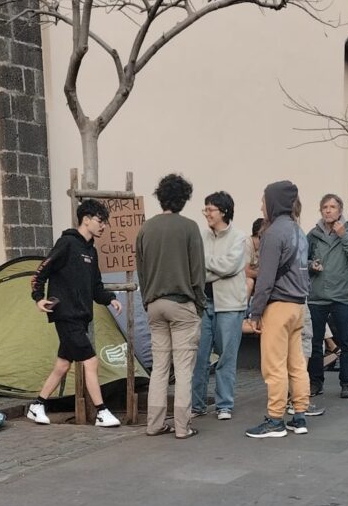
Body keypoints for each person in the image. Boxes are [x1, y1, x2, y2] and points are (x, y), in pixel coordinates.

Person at [26, 198, 123, 427]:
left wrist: (110, 299)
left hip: (81, 317)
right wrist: (38, 298)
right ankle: (102, 412)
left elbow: (96, 288)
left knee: (62, 365)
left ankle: (37, 405)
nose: (103, 226)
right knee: (91, 361)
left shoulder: (92, 251)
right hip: (65, 314)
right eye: (100, 221)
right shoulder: (67, 243)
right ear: (86, 220)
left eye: (105, 222)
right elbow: (41, 271)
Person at [136, 173, 206, 439]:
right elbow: (197, 272)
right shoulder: (189, 227)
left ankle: (154, 424)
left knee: (160, 368)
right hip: (182, 304)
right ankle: (182, 426)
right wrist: (199, 305)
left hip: (154, 304)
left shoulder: (146, 228)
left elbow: (141, 270)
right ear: (183, 199)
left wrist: (147, 300)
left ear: (160, 197)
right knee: (184, 368)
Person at [244, 180, 311, 438]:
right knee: (297, 364)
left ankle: (275, 419)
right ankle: (300, 415)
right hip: (298, 305)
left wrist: (255, 312)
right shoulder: (298, 231)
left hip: (278, 305)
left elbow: (265, 279)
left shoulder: (273, 233)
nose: (261, 206)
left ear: (274, 202)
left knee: (274, 366)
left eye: (264, 200)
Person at [191, 192, 250, 421]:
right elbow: (195, 268)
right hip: (203, 303)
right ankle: (196, 405)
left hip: (230, 304)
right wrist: (216, 270)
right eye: (205, 209)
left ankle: (224, 404)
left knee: (226, 356)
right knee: (199, 356)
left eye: (211, 209)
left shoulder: (239, 237)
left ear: (224, 211)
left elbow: (230, 266)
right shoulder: (201, 236)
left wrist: (207, 266)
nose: (207, 213)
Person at [307, 193, 348, 398]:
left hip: (342, 295)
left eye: (332, 207)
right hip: (317, 296)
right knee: (315, 342)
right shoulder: (313, 234)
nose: (328, 210)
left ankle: (347, 383)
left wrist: (344, 236)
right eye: (325, 207)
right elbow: (301, 260)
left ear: (340, 211)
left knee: (346, 341)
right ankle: (315, 382)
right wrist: (311, 265)